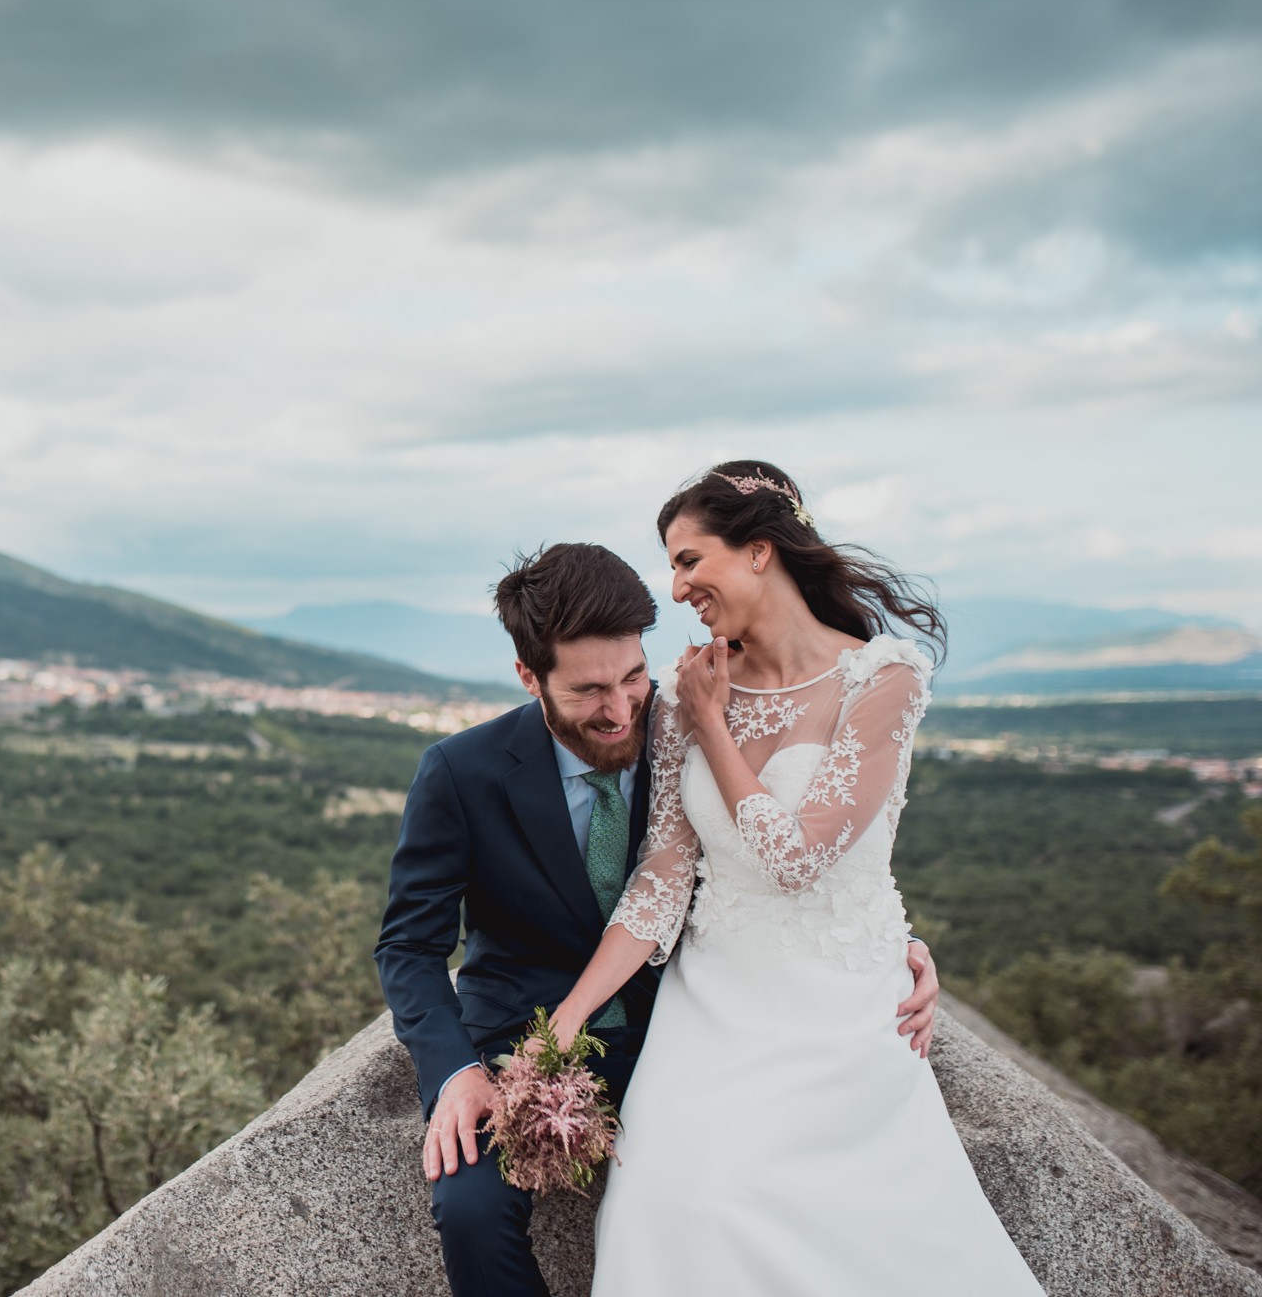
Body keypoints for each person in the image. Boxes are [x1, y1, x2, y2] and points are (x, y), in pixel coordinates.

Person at [374, 539, 944, 1297]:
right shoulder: (460, 770)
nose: (619, 711)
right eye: (587, 692)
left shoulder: (686, 727)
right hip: (519, 1035)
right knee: (469, 1206)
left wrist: (887, 942)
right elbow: (410, 945)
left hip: (685, 1031)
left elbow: (783, 852)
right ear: (527, 676)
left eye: (633, 677)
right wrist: (453, 1072)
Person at [561, 461, 1042, 1294]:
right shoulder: (684, 693)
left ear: (757, 550)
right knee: (664, 1199)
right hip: (710, 1001)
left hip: (838, 1008)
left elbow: (800, 859)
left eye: (687, 559)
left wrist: (712, 723)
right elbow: (664, 876)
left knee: (752, 1201)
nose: (675, 589)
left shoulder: (880, 678)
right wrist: (565, 1018)